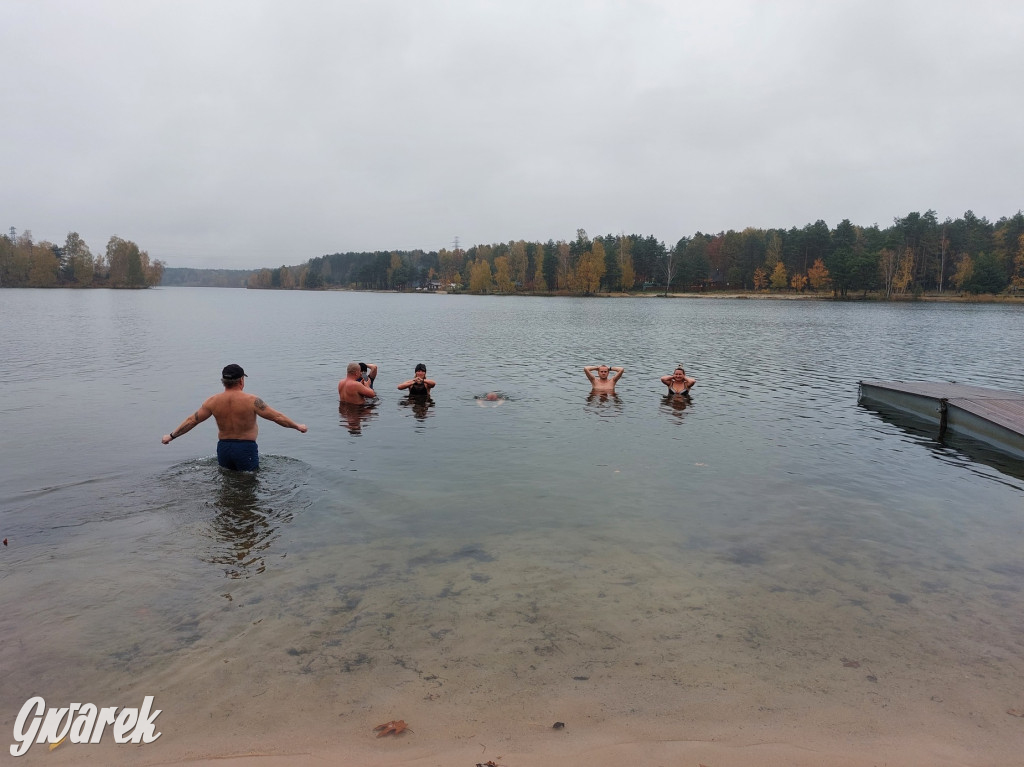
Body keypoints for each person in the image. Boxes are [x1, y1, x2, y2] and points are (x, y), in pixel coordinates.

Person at [161, 364, 307, 471]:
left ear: (223, 381)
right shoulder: (252, 401)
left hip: (223, 448)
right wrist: (297, 426)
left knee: (226, 484)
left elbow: (192, 421)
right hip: (245, 449)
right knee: (248, 485)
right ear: (241, 380)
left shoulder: (212, 401)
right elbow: (277, 417)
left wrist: (171, 436)